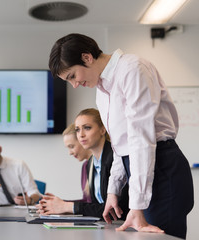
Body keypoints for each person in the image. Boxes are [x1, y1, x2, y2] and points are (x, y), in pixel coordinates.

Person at [49, 33, 194, 239]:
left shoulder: (132, 69)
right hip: (139, 169)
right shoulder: (101, 89)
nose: (74, 84)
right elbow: (120, 145)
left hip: (162, 167)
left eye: (72, 76)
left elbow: (141, 139)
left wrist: (137, 205)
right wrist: (112, 192)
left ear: (87, 57)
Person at [37, 109, 128, 219]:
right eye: (77, 130)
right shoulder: (91, 164)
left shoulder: (116, 158)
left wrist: (66, 207)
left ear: (103, 129)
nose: (81, 135)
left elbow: (115, 210)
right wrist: (58, 206)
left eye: (87, 128)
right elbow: (96, 207)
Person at [62, 123, 92, 203]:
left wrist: (63, 205)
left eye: (71, 147)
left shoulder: (102, 164)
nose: (70, 153)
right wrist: (59, 204)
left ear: (83, 141)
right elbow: (86, 202)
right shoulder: (86, 165)